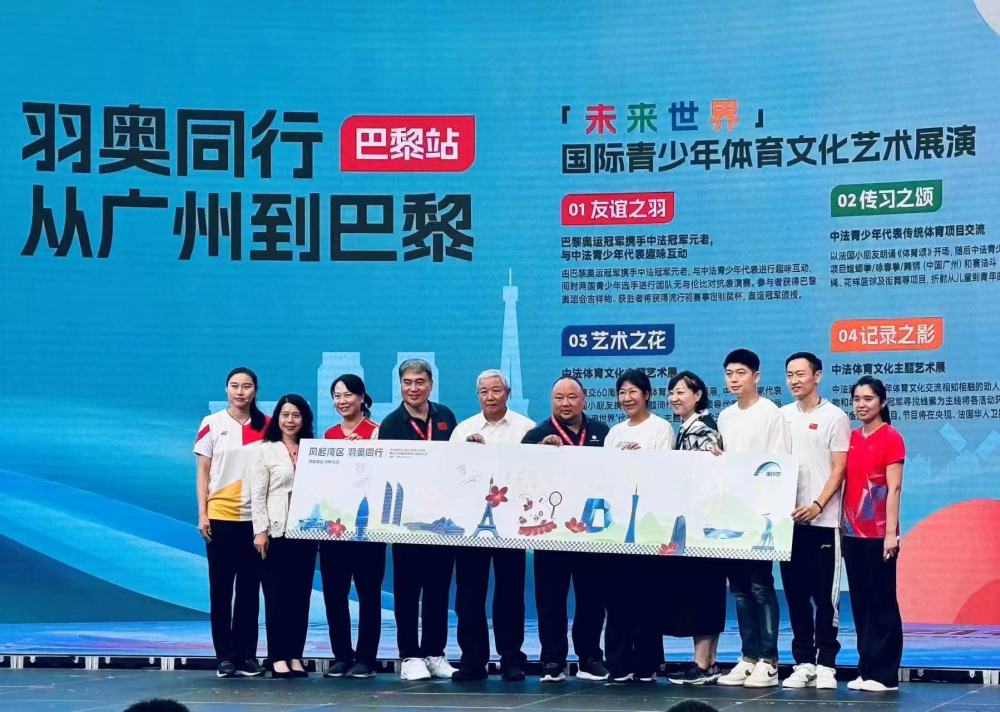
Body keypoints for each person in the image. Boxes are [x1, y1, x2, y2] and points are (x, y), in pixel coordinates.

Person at [521, 376, 610, 683]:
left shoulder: (602, 433)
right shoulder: (536, 435)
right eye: (559, 398)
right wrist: (539, 454)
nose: (566, 403)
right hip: (551, 533)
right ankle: (552, 660)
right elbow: (523, 481)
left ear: (584, 399)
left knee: (592, 599)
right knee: (550, 600)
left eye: (572, 397)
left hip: (591, 532)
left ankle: (590, 658)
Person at [449, 369, 535, 682]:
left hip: (511, 522)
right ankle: (473, 660)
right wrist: (467, 455)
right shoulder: (463, 429)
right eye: (484, 391)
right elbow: (450, 473)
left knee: (510, 594)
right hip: (471, 522)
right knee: (469, 596)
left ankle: (511, 659)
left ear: (507, 393)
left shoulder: (526, 428)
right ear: (477, 395)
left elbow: (534, 474)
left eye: (496, 390)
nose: (490, 396)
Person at [377, 359, 458, 681]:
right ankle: (410, 656)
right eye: (407, 382)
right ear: (400, 386)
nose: (414, 388)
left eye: (420, 382)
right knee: (408, 593)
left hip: (443, 521)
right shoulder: (391, 424)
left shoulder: (446, 416)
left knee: (438, 591)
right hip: (407, 522)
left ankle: (435, 653)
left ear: (430, 384)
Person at [715, 349, 789, 689]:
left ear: (756, 376)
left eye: (741, 373)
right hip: (732, 513)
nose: (734, 379)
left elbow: (779, 464)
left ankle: (769, 661)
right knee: (740, 589)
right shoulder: (725, 416)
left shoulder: (770, 413)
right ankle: (748, 658)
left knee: (760, 587)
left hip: (761, 512)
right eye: (729, 373)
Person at [779, 353, 851, 690]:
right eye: (789, 375)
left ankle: (827, 663)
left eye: (801, 374)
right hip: (789, 523)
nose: (794, 381)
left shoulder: (835, 417)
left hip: (824, 522)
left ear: (817, 376)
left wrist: (818, 504)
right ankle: (804, 661)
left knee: (825, 598)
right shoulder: (782, 416)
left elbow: (840, 468)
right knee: (795, 597)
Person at [193, 367, 268, 678]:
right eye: (235, 386)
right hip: (220, 517)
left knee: (249, 592)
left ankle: (246, 656)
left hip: (255, 520)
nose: (240, 392)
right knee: (221, 590)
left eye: (246, 386)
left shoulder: (267, 425)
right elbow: (203, 472)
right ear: (226, 389)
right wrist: (203, 513)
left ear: (255, 391)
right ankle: (224, 657)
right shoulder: (211, 424)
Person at [603, 369, 673, 683]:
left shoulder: (661, 428)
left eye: (633, 391)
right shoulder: (614, 433)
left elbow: (665, 471)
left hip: (649, 523)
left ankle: (647, 663)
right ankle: (619, 663)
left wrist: (640, 458)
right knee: (617, 596)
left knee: (647, 596)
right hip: (617, 523)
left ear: (646, 395)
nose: (627, 398)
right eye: (622, 392)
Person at [662, 370, 728, 686]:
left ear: (698, 395)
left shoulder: (702, 430)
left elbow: (708, 476)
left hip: (703, 525)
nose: (675, 398)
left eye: (682, 392)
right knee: (705, 590)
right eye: (672, 392)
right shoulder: (687, 428)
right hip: (700, 525)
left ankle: (702, 664)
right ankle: (708, 662)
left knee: (704, 590)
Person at [320, 374, 385, 679]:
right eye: (337, 396)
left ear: (361, 398)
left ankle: (366, 658)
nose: (342, 401)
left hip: (368, 528)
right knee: (334, 595)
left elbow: (386, 476)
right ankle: (342, 656)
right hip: (334, 529)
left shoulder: (377, 432)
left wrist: (366, 454)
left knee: (369, 595)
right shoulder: (328, 435)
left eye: (348, 395)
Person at [842, 376, 905, 693]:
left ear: (882, 402)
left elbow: (894, 488)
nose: (861, 404)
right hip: (852, 533)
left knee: (882, 602)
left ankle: (886, 675)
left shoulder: (891, 437)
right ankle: (867, 669)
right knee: (861, 603)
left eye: (868, 398)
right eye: (857, 399)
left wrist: (891, 534)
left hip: (880, 534)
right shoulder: (851, 437)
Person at [251, 394, 316, 679]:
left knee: (300, 598)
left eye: (296, 415)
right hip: (276, 534)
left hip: (306, 533)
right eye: (285, 415)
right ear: (277, 418)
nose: (290, 420)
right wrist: (260, 531)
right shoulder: (265, 450)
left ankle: (294, 655)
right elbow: (257, 495)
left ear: (305, 419)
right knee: (276, 598)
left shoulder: (315, 450)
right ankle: (277, 657)